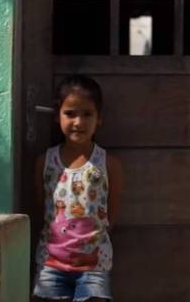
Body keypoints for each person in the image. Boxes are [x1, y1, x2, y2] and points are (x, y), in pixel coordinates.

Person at [33, 75, 123, 302]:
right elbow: (39, 209)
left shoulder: (108, 164)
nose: (79, 122)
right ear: (57, 116)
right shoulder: (44, 162)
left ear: (99, 118)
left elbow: (110, 215)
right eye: (70, 113)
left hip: (93, 267)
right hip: (51, 264)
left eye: (87, 114)